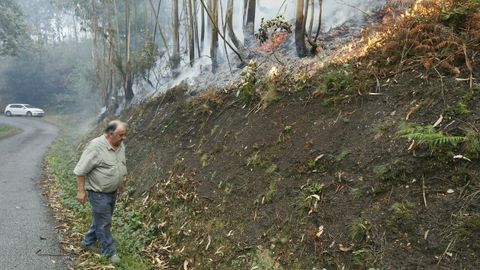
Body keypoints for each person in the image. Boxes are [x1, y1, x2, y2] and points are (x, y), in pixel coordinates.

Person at [73, 120, 128, 264]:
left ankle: (87, 242)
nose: (124, 138)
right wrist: (81, 191)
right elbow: (80, 170)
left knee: (101, 220)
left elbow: (119, 165)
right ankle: (109, 253)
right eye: (121, 135)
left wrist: (120, 183)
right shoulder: (95, 147)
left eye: (124, 135)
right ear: (111, 134)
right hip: (98, 193)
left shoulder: (120, 145)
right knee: (104, 223)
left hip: (112, 192)